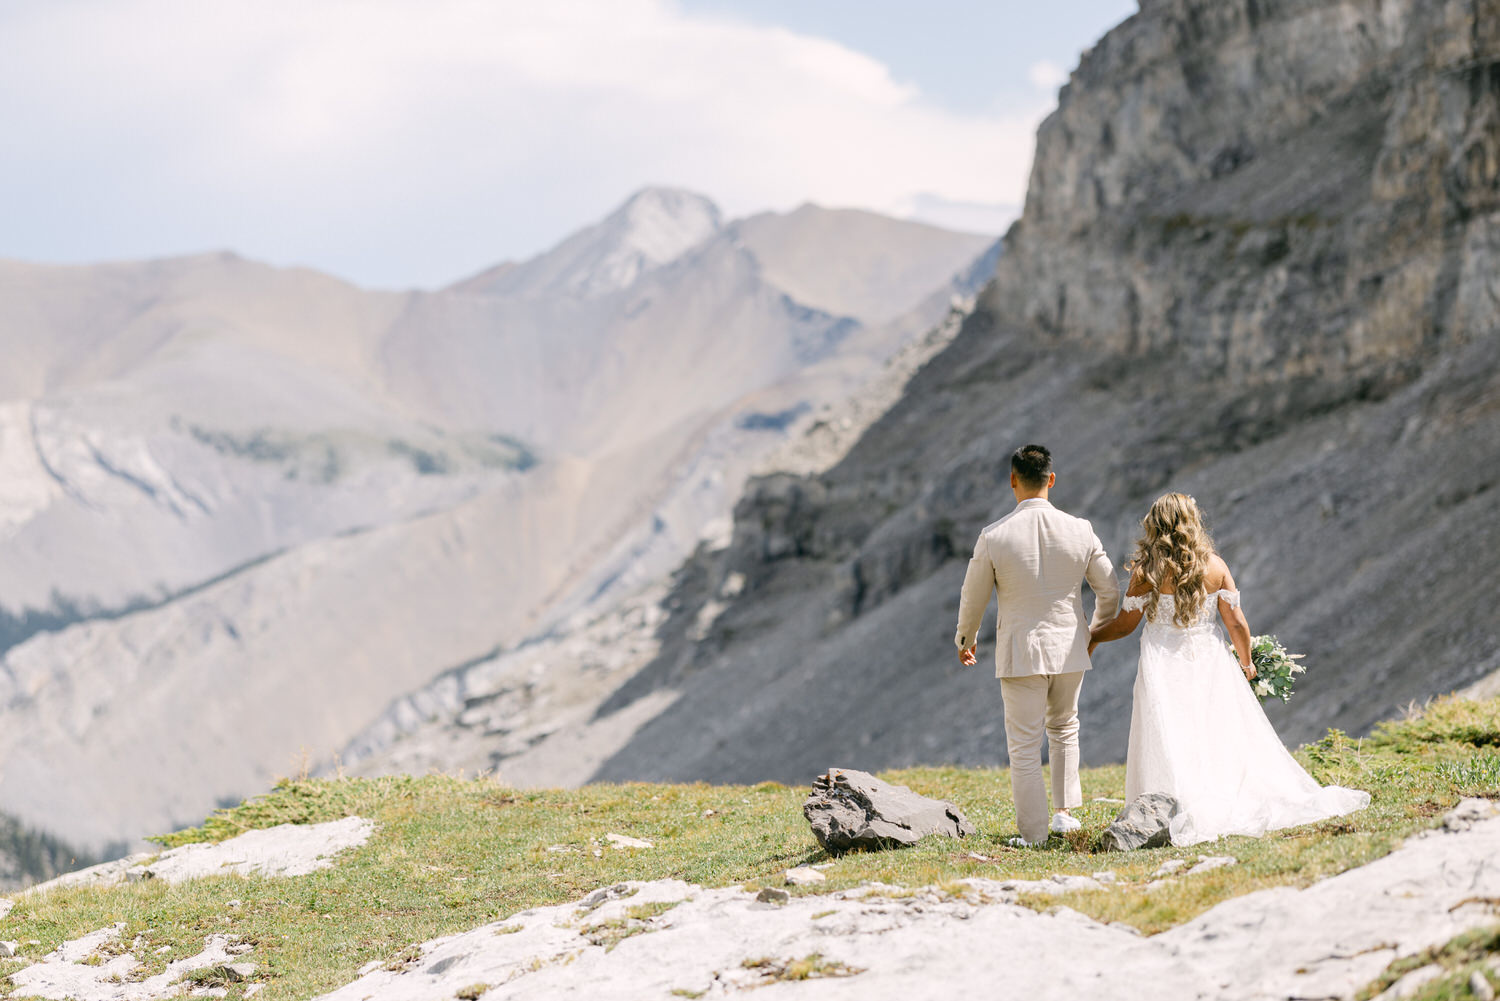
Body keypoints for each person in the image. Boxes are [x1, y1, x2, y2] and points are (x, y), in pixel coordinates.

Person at [1089, 492, 1369, 845]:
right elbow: (1236, 623)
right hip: (1209, 660)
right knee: (1216, 730)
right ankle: (1217, 795)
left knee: (1170, 731)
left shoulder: (1147, 572)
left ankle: (1170, 802)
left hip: (1162, 663)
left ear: (1155, 525)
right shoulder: (1216, 566)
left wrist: (1093, 637)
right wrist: (1247, 662)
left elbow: (1124, 626)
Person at [954, 444, 1121, 847]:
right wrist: (1092, 633)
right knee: (1065, 727)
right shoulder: (1080, 529)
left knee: (1025, 746)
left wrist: (967, 638)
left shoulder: (993, 536)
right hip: (1070, 646)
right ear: (1052, 479)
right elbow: (1111, 591)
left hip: (1021, 651)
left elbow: (972, 598)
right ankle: (1064, 815)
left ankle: (1033, 835)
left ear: (1013, 479)